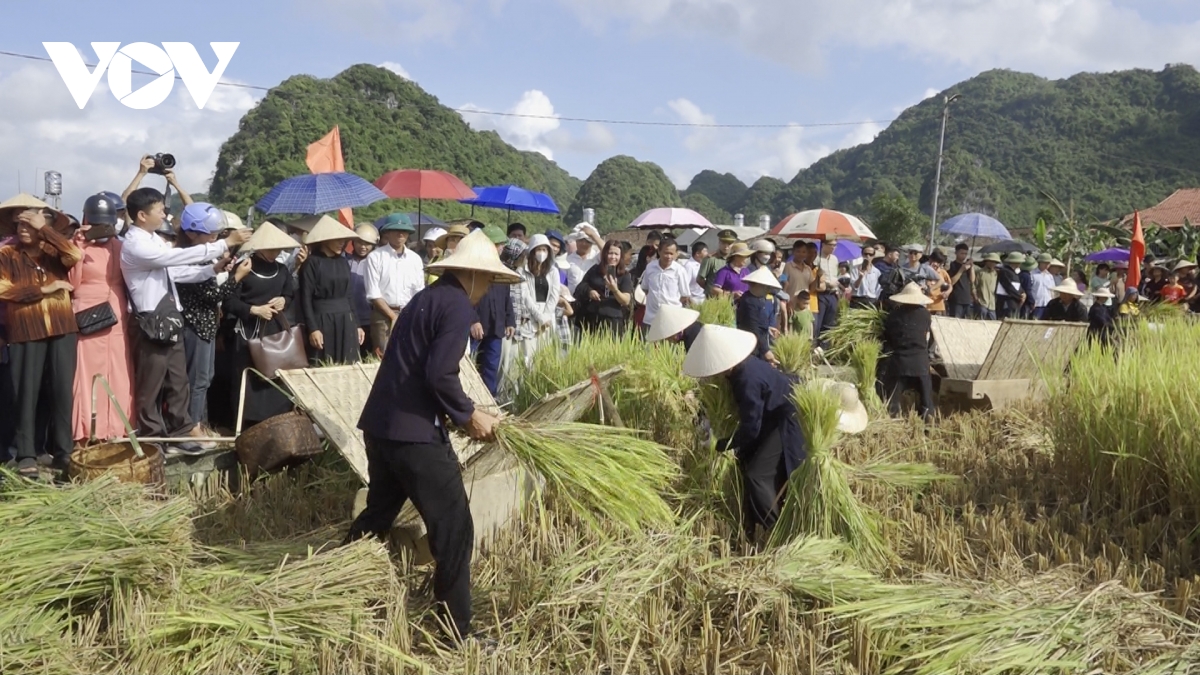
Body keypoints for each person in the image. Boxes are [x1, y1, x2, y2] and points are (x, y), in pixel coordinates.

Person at [344, 229, 517, 646]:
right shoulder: (457, 306)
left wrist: (463, 411)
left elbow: (422, 369)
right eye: (490, 281)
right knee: (455, 528)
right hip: (414, 436)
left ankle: (335, 577)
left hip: (382, 427)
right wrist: (468, 414)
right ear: (473, 275)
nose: (489, 290)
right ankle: (458, 631)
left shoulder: (427, 297)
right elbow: (439, 373)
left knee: (378, 513)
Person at [121, 188, 249, 453]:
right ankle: (152, 438)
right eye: (159, 210)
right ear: (142, 215)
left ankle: (180, 432)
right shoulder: (135, 243)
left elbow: (175, 272)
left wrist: (211, 269)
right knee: (152, 382)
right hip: (150, 319)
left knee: (178, 380)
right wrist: (222, 244)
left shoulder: (154, 238)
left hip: (169, 316)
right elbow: (172, 258)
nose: (165, 213)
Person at [682, 325, 807, 539]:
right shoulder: (740, 369)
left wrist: (720, 444)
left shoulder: (746, 379)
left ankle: (773, 530)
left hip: (787, 419)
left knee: (757, 475)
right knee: (748, 460)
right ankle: (754, 520)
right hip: (774, 415)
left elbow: (751, 428)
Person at [0, 195, 81, 477]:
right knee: (26, 392)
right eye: (18, 221)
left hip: (62, 328)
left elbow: (75, 256)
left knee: (61, 392)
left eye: (29, 221)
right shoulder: (6, 254)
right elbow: (3, 289)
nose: (23, 227)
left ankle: (63, 452)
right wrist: (45, 290)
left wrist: (45, 229)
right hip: (25, 330)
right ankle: (25, 454)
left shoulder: (52, 249)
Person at [66, 193, 135, 444]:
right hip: (87, 311)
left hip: (116, 311)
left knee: (117, 369)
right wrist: (79, 246)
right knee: (86, 372)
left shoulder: (122, 245)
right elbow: (72, 282)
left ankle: (116, 427)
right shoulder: (77, 245)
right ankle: (86, 430)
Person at [175, 202, 251, 431]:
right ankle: (193, 427)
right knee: (197, 381)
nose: (216, 238)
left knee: (206, 378)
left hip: (207, 324)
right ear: (191, 234)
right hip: (196, 325)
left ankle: (202, 423)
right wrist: (236, 277)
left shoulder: (204, 256)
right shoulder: (190, 257)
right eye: (212, 234)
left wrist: (221, 268)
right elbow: (212, 295)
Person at [223, 223, 299, 428]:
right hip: (249, 331)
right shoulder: (245, 267)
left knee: (275, 375)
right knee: (248, 378)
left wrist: (284, 300)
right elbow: (229, 301)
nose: (275, 252)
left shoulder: (281, 269)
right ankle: (245, 424)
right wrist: (254, 310)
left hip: (274, 329)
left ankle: (277, 418)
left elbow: (289, 293)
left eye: (278, 249)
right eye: (271, 248)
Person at [300, 216, 365, 365]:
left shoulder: (343, 262)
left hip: (345, 318)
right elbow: (305, 298)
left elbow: (349, 295)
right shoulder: (312, 262)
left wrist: (357, 324)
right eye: (337, 239)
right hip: (322, 320)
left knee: (348, 364)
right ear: (324, 240)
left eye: (343, 240)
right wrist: (313, 328)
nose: (341, 243)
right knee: (324, 363)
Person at [366, 214, 424, 355]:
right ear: (387, 232)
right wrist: (392, 316)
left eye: (404, 231)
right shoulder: (375, 257)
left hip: (408, 314)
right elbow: (373, 293)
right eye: (396, 230)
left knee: (408, 356)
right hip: (383, 315)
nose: (400, 234)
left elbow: (419, 292)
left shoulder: (415, 259)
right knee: (383, 357)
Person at [469, 226, 515, 396]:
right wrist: (472, 320)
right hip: (476, 326)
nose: (500, 248)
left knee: (491, 368)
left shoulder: (503, 268)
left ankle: (490, 403)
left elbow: (507, 297)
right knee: (469, 365)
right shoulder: (473, 267)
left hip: (496, 326)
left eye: (502, 244)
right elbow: (465, 298)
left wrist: (510, 320)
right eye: (497, 244)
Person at [881, 282, 935, 422]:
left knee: (893, 398)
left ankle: (893, 420)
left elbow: (888, 338)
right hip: (920, 362)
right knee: (926, 399)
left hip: (900, 362)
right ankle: (928, 422)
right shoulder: (925, 315)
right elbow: (927, 337)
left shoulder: (893, 315)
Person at [513, 234, 560, 366]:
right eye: (538, 249)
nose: (541, 253)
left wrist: (545, 316)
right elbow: (525, 296)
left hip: (548, 320)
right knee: (528, 358)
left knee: (545, 359)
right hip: (530, 319)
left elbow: (554, 295)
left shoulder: (553, 271)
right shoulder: (522, 271)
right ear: (532, 251)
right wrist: (539, 317)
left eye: (544, 250)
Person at [578, 240, 633, 335]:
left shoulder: (624, 275)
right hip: (593, 316)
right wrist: (590, 291)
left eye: (616, 254)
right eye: (610, 253)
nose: (613, 257)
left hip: (613, 320)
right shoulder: (595, 270)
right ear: (604, 254)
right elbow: (581, 286)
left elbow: (626, 301)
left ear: (621, 257)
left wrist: (615, 290)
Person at [639, 236, 692, 331]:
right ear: (659, 252)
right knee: (646, 344)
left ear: (676, 254)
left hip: (671, 319)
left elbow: (684, 296)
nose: (669, 257)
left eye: (672, 254)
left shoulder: (680, 270)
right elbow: (645, 289)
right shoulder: (650, 267)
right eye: (666, 253)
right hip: (651, 318)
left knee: (669, 346)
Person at [737, 267, 782, 364]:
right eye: (766, 287)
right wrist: (766, 350)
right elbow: (753, 327)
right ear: (756, 285)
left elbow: (757, 322)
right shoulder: (749, 301)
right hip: (751, 345)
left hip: (757, 343)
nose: (768, 290)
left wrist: (767, 328)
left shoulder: (757, 299)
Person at [346, 224, 378, 359]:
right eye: (360, 242)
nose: (363, 247)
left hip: (368, 319)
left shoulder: (376, 262)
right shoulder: (344, 260)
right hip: (347, 318)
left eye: (367, 244)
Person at [811, 240, 841, 348]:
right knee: (817, 324)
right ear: (823, 245)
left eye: (835, 245)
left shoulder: (835, 259)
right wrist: (828, 283)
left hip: (833, 293)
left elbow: (835, 275)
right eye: (831, 245)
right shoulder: (817, 259)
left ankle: (824, 349)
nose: (833, 247)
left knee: (829, 324)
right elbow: (814, 277)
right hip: (821, 293)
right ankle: (814, 348)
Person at [946, 244, 975, 318]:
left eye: (965, 253)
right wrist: (961, 270)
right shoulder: (952, 265)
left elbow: (972, 280)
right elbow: (951, 282)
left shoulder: (967, 266)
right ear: (956, 253)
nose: (964, 256)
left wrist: (971, 267)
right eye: (962, 253)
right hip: (956, 299)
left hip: (967, 299)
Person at [995, 252, 1026, 320]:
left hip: (1013, 302)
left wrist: (1022, 292)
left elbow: (1017, 286)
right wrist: (1019, 296)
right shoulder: (1004, 271)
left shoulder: (1014, 273)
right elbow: (1008, 287)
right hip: (1005, 302)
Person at [1028, 253, 1057, 319]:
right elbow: (1029, 290)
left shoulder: (1050, 276)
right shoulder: (1032, 274)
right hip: (1036, 305)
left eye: (1048, 263)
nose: (1047, 265)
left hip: (1047, 305)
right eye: (1045, 263)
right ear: (1040, 262)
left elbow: (1052, 291)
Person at [973, 253, 1000, 320]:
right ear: (987, 261)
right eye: (991, 261)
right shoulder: (980, 272)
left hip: (992, 304)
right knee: (980, 322)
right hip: (982, 303)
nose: (993, 263)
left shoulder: (996, 274)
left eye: (995, 262)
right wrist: (976, 298)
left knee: (993, 324)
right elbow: (974, 286)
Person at [925, 251, 952, 316]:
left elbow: (950, 285)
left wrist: (947, 292)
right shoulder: (924, 270)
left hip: (938, 305)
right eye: (935, 261)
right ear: (930, 260)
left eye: (938, 263)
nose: (936, 264)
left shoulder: (943, 272)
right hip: (926, 304)